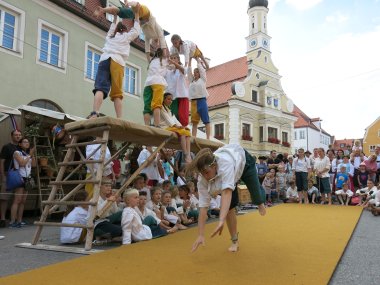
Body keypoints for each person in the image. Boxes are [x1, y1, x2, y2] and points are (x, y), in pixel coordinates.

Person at [187, 144, 266, 253]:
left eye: (206, 172)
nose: (205, 176)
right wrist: (200, 234)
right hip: (230, 173)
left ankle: (260, 202)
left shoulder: (225, 164)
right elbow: (203, 207)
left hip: (244, 161)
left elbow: (226, 193)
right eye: (202, 173)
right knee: (228, 208)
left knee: (256, 194)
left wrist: (221, 220)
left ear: (215, 166)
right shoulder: (202, 179)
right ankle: (235, 241)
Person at [88, 8, 141, 119]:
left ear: (116, 29)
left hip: (104, 59)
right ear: (125, 30)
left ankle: (94, 113)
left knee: (100, 88)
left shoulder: (110, 35)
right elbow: (136, 31)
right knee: (117, 93)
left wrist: (116, 16)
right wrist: (136, 16)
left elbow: (114, 23)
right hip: (117, 61)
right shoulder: (126, 37)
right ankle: (119, 118)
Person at [95, 1, 168, 62]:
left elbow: (147, 48)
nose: (156, 42)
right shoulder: (159, 30)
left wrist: (149, 61)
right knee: (137, 7)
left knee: (120, 11)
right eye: (156, 41)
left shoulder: (148, 36)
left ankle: (103, 9)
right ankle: (128, 3)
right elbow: (162, 42)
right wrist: (164, 56)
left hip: (139, 16)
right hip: (146, 14)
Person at [9, 138, 36, 228]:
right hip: (19, 177)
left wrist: (33, 156)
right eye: (24, 142)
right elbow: (22, 163)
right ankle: (12, 221)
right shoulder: (17, 153)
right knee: (17, 200)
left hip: (27, 178)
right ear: (20, 144)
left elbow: (34, 165)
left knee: (23, 201)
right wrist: (30, 155)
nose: (27, 143)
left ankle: (19, 220)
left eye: (28, 142)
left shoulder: (28, 154)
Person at [160, 92, 192, 163]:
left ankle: (188, 153)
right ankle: (185, 153)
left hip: (172, 127)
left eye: (171, 100)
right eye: (168, 99)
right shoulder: (161, 107)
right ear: (164, 99)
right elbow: (167, 119)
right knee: (183, 132)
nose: (170, 101)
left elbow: (175, 119)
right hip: (165, 127)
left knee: (187, 132)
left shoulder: (170, 110)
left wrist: (182, 126)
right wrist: (177, 126)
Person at [0, 130, 22, 228]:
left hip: (19, 175)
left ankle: (15, 219)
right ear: (11, 136)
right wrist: (3, 176)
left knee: (17, 199)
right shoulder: (6, 147)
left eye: (19, 135)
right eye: (16, 135)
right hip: (8, 174)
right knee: (4, 198)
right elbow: (1, 162)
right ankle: (3, 219)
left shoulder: (21, 147)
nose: (18, 136)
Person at [143, 48, 168, 127]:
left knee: (147, 106)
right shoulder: (165, 61)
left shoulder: (151, 61)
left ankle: (147, 126)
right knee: (156, 105)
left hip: (148, 83)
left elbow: (147, 51)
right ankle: (156, 125)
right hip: (158, 82)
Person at [165, 53, 189, 127]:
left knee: (183, 118)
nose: (173, 60)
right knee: (172, 117)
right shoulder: (168, 71)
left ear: (178, 60)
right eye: (171, 58)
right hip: (172, 98)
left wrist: (174, 64)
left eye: (174, 58)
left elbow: (184, 71)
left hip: (182, 96)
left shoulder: (181, 68)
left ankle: (184, 134)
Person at [188, 62, 210, 139]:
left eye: (197, 72)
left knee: (206, 121)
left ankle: (208, 138)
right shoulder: (191, 81)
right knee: (194, 122)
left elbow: (202, 70)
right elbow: (188, 71)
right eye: (194, 72)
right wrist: (190, 60)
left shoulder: (202, 80)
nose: (195, 74)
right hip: (193, 102)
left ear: (200, 73)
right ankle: (193, 138)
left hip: (202, 101)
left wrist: (197, 60)